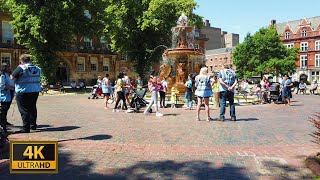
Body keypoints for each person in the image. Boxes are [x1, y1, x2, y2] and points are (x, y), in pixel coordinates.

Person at [11, 54, 41, 133]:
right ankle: (33, 125)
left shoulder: (21, 67)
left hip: (23, 91)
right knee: (32, 108)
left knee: (24, 109)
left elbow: (12, 77)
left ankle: (26, 128)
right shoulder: (37, 68)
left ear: (21, 61)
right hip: (35, 90)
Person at [0, 64, 14, 133]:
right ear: (4, 68)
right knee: (3, 111)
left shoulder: (9, 75)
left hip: (10, 95)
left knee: (6, 110)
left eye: (9, 66)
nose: (9, 68)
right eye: (7, 67)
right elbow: (1, 86)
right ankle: (3, 125)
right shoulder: (3, 75)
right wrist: (10, 87)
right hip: (4, 96)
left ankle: (4, 122)